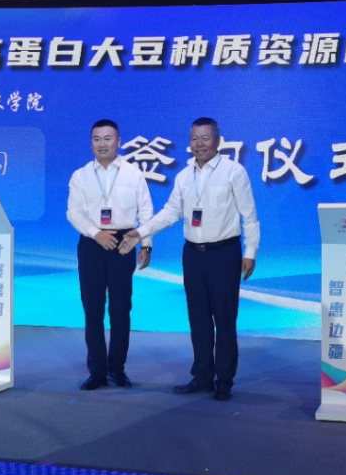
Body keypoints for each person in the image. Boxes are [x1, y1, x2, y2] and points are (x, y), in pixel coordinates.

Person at [121, 117, 258, 402]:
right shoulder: (184, 176)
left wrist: (250, 253)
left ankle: (224, 381)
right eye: (195, 139)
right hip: (193, 255)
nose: (200, 144)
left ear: (217, 140)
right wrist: (141, 232)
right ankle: (203, 376)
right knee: (198, 319)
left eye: (205, 138)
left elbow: (250, 216)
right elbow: (170, 213)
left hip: (224, 253)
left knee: (225, 319)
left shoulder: (234, 171)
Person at [67, 119, 153, 390]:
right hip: (91, 244)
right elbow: (73, 213)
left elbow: (146, 211)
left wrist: (146, 244)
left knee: (120, 309)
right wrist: (96, 233)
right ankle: (97, 371)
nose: (102, 144)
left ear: (118, 141)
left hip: (124, 242)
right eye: (96, 139)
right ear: (91, 142)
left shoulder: (133, 174)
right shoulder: (80, 175)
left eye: (107, 138)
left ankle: (118, 368)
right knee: (92, 309)